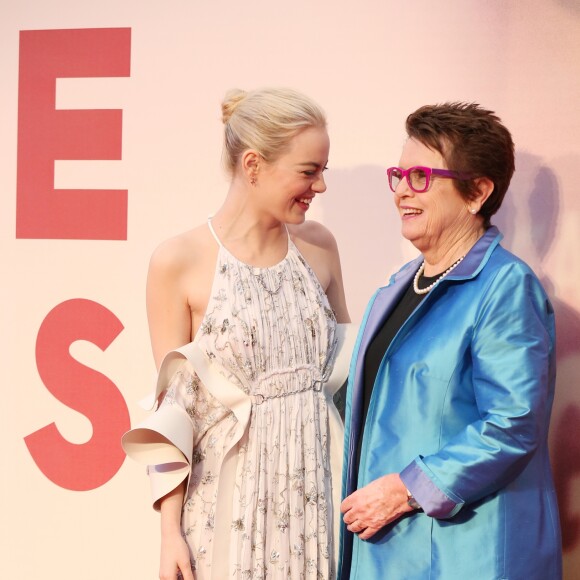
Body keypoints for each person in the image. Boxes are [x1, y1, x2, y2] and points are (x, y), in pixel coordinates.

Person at [122, 87, 352, 580]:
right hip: (226, 512)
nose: (321, 186)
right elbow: (172, 416)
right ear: (253, 165)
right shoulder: (177, 261)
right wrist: (169, 536)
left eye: (323, 170)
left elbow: (347, 384)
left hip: (318, 499)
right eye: (309, 171)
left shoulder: (320, 247)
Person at [338, 103, 562, 579]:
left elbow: (512, 424)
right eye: (398, 174)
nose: (401, 191)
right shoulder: (398, 285)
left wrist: (404, 490)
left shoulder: (505, 286)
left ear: (477, 192)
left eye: (420, 176)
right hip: (389, 550)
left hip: (466, 554)